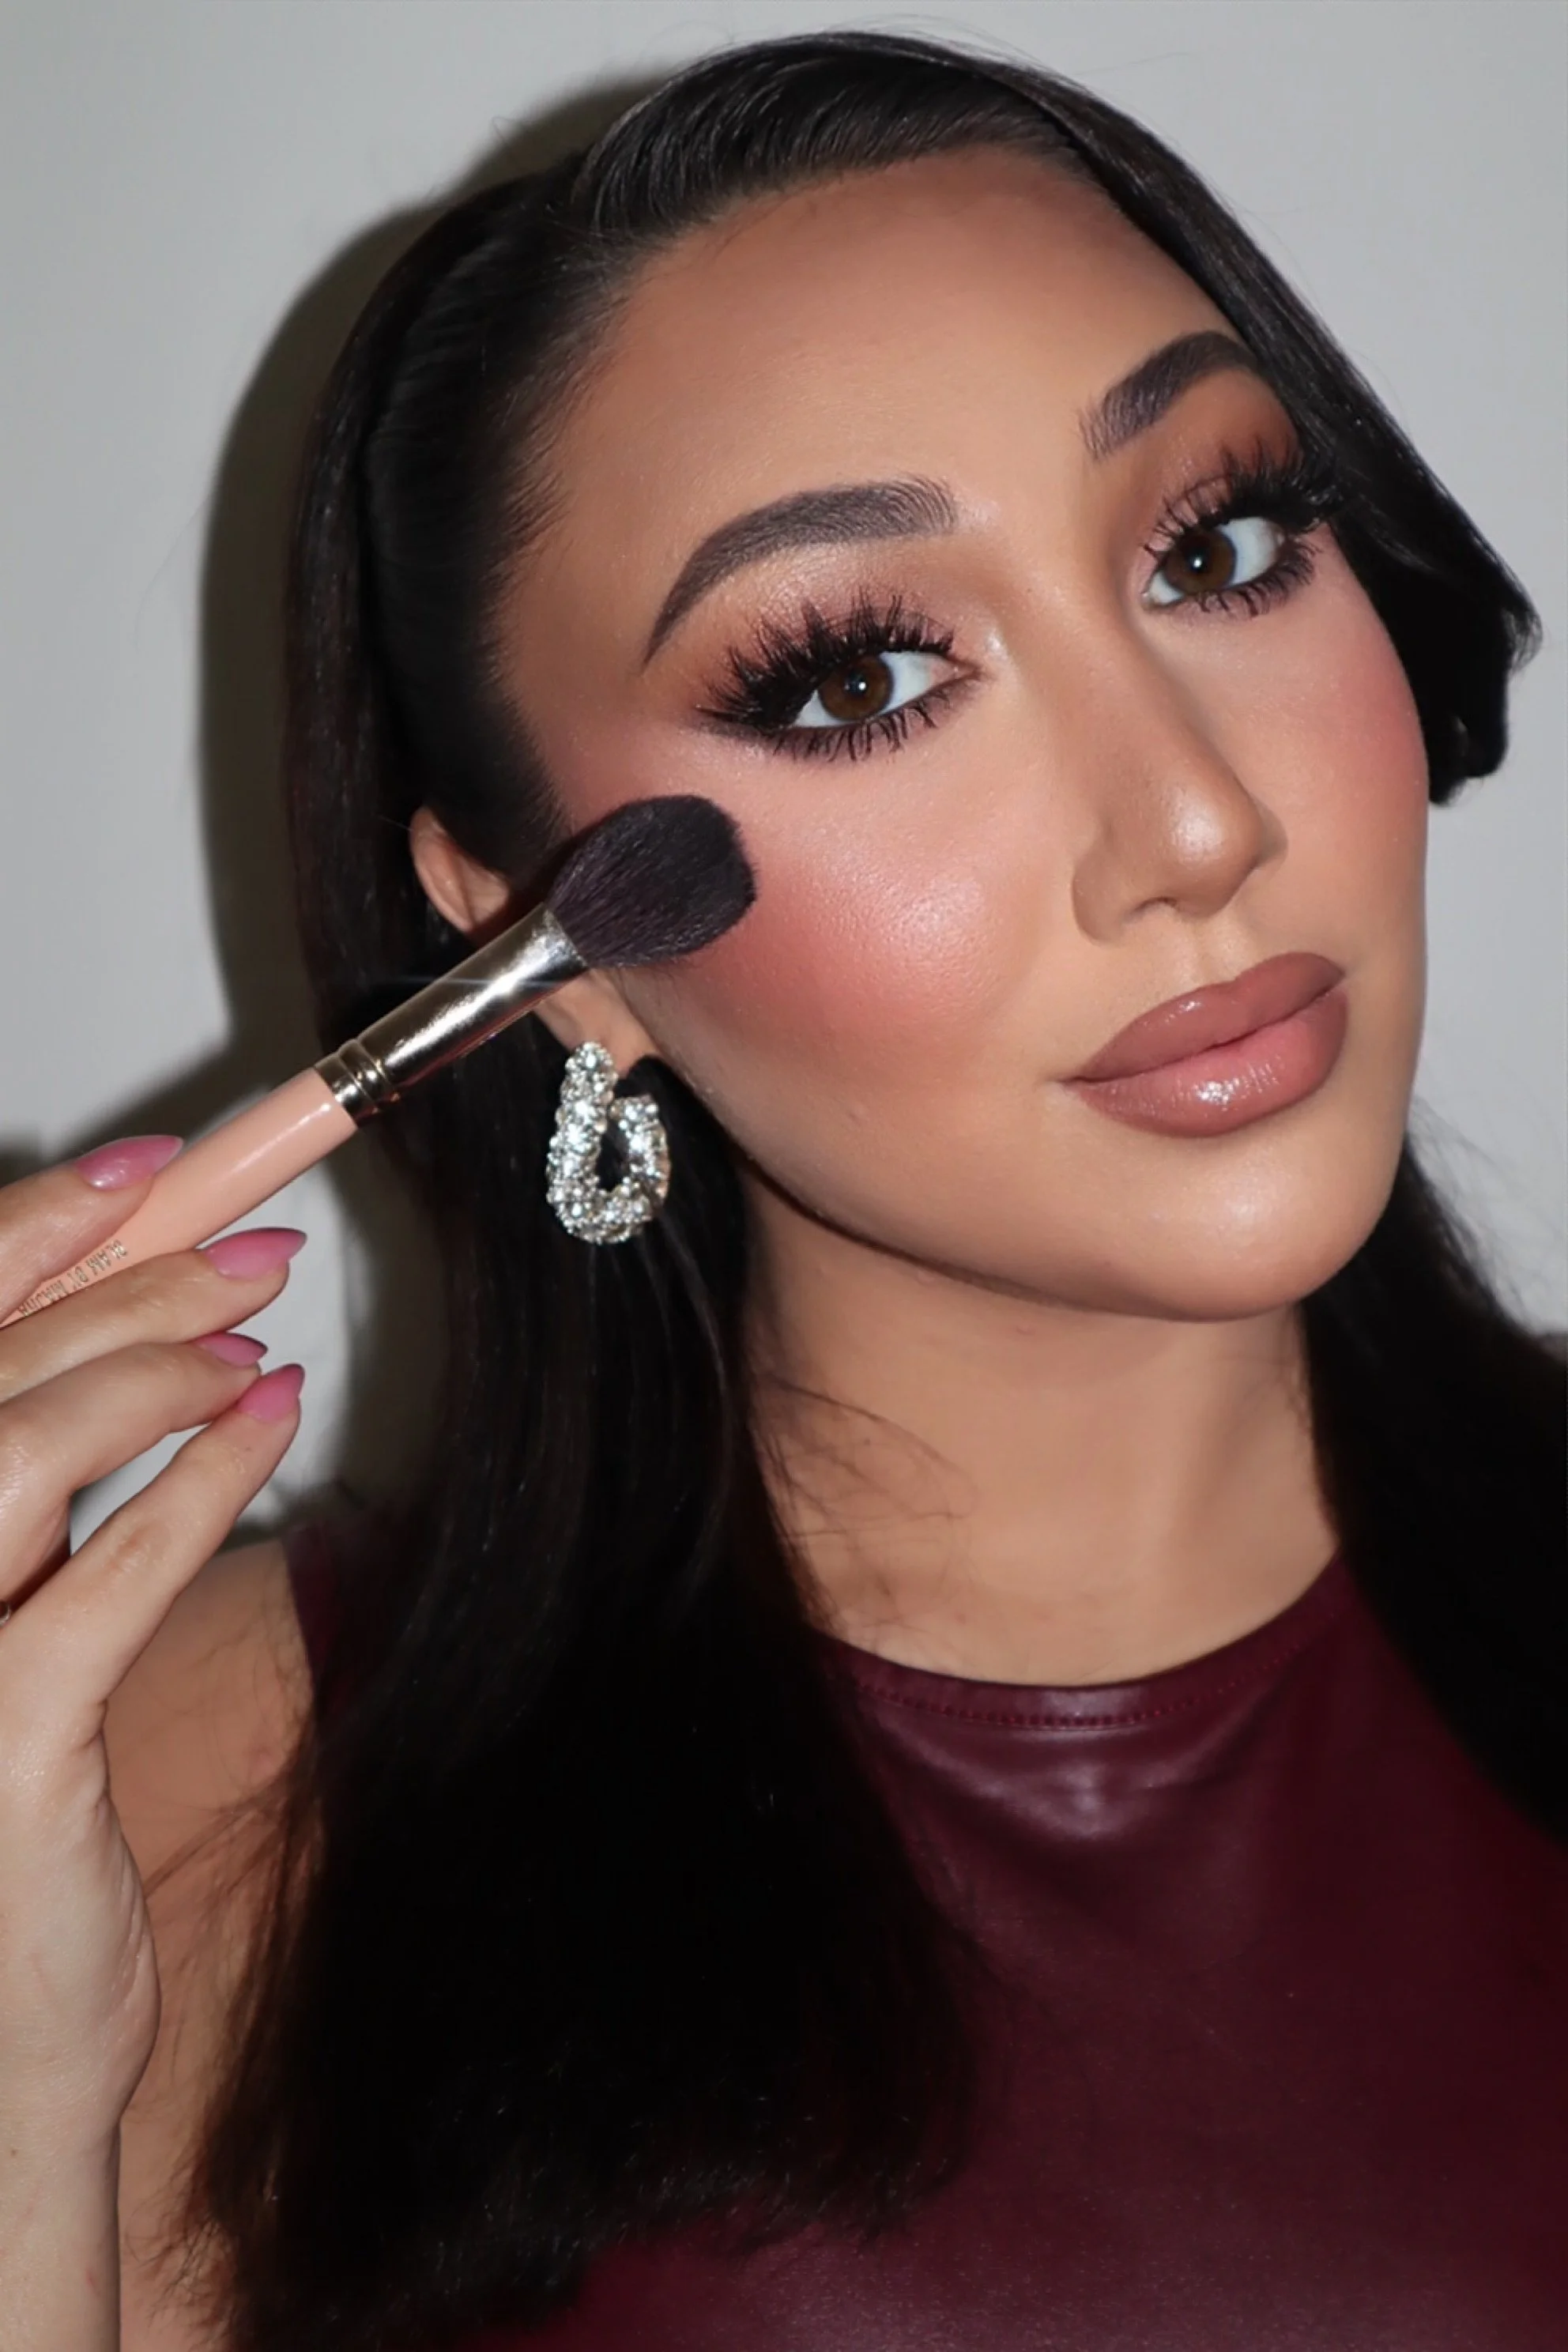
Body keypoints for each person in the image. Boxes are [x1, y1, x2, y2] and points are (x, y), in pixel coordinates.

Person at [1, 30, 1562, 2352]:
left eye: (1218, 541)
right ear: (555, 947)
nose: (1199, 826)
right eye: (856, 686)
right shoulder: (173, 1795)